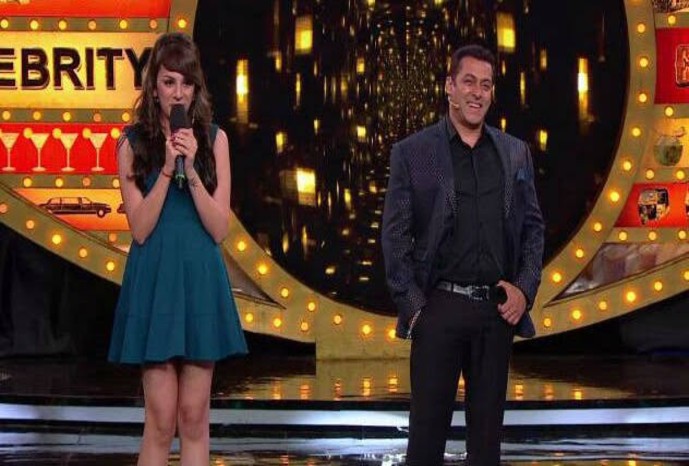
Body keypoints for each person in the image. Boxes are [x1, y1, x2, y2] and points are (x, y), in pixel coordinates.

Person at [381, 44, 545, 465]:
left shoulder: (514, 152)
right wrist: (416, 310)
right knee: (425, 444)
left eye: (485, 85)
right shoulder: (414, 152)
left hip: (495, 312)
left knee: (486, 447)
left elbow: (533, 229)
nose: (477, 92)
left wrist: (524, 290)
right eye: (469, 82)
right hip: (438, 311)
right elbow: (394, 238)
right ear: (449, 87)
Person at [108, 32, 248, 466]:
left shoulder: (215, 140)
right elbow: (140, 228)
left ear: (196, 89)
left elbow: (219, 228)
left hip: (200, 280)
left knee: (193, 417)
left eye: (186, 83)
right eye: (169, 82)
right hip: (156, 281)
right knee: (160, 419)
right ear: (154, 87)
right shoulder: (131, 144)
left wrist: (193, 169)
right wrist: (169, 169)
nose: (178, 92)